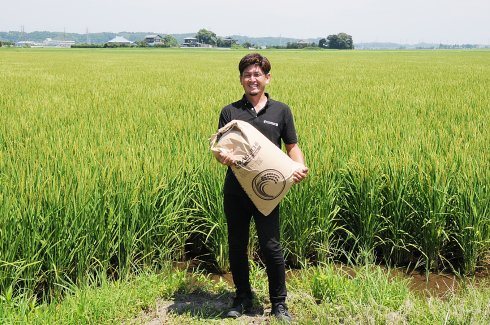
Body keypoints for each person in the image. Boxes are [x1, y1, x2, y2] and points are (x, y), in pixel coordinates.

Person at [213, 53, 308, 322]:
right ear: (241, 79)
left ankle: (279, 303)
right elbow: (219, 150)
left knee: (271, 246)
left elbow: (292, 146)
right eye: (247, 75)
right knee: (236, 245)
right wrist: (223, 157)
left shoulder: (281, 111)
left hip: (268, 191)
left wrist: (298, 166)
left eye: (257, 74)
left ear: (267, 78)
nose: (252, 79)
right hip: (236, 191)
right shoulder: (230, 112)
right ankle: (242, 297)